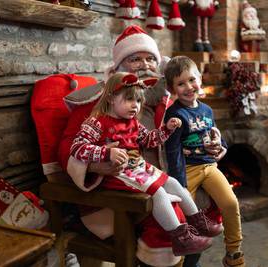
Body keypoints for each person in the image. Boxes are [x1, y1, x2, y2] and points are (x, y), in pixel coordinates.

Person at [70, 72, 223, 256]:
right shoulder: (96, 122)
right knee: (158, 193)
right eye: (129, 100)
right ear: (110, 97)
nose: (135, 106)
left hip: (139, 169)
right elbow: (77, 148)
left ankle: (198, 221)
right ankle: (181, 238)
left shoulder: (133, 122)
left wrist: (167, 129)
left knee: (173, 183)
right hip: (118, 175)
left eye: (139, 101)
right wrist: (106, 152)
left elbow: (150, 140)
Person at [164, 56, 245, 267]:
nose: (188, 87)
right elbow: (172, 151)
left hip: (209, 166)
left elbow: (216, 134)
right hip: (187, 169)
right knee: (182, 215)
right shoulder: (174, 115)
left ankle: (234, 253)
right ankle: (179, 262)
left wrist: (222, 146)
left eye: (192, 80)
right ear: (172, 88)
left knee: (230, 202)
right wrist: (179, 183)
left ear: (200, 79)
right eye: (180, 84)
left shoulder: (207, 110)